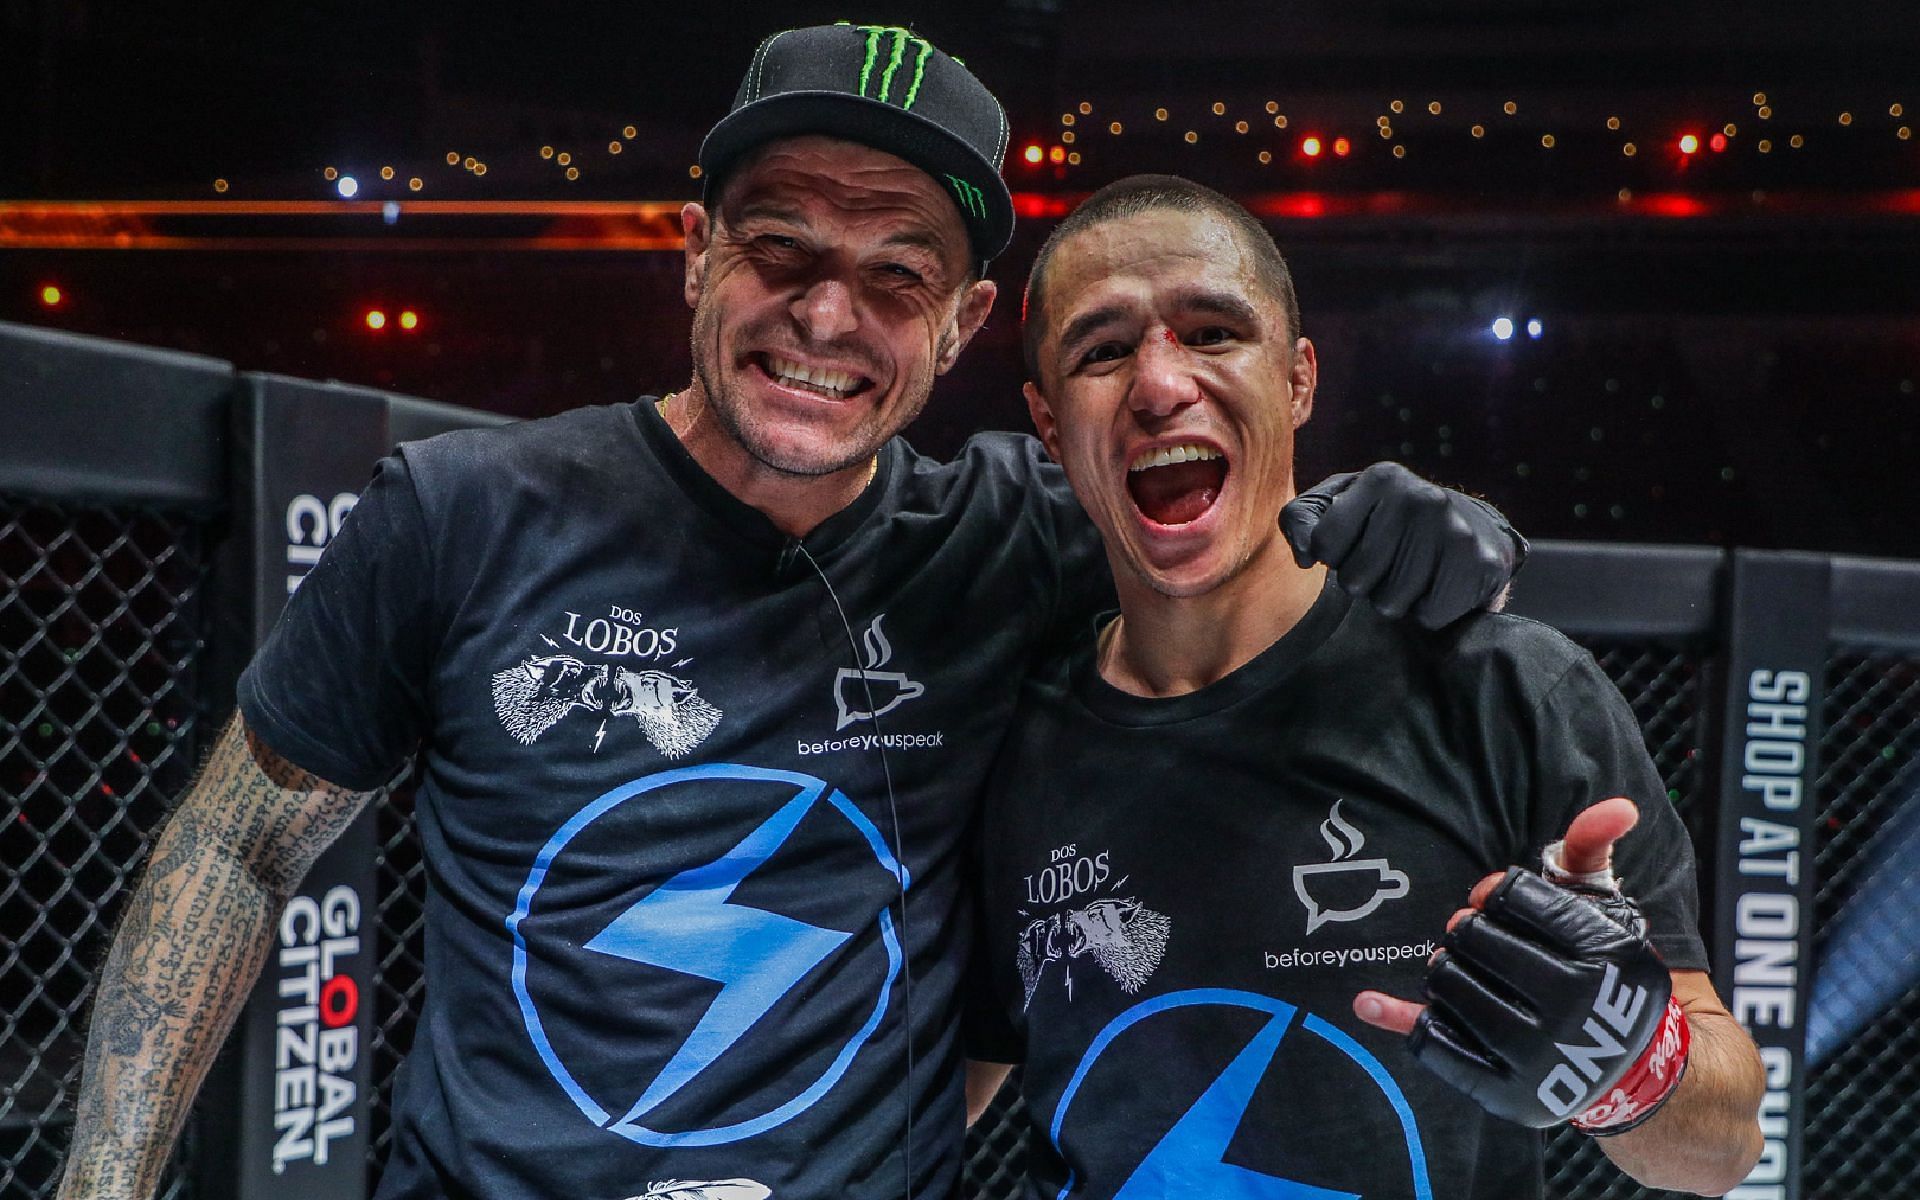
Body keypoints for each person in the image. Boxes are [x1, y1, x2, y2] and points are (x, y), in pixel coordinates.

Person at [56, 27, 1525, 1200]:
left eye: (897, 276)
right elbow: (240, 839)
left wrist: (1396, 521)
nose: (829, 318)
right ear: (696, 250)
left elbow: (1223, 516)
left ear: (957, 330)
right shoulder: (462, 512)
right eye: (783, 251)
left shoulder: (1018, 531)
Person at [969, 175, 1765, 1197]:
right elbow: (923, 1089)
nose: (1159, 383)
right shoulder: (1016, 743)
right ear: (1047, 420)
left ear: (1298, 379)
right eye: (1103, 349)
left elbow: (1722, 1150)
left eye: (1212, 332)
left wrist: (1623, 1055)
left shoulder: (1502, 690)